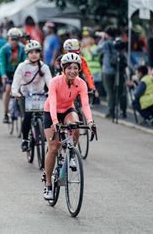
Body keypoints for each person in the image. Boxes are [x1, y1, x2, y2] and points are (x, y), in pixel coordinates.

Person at [42, 53, 96, 200]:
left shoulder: (81, 83)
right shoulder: (55, 82)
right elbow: (52, 102)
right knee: (53, 147)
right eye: (69, 68)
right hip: (51, 112)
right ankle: (48, 184)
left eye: (76, 68)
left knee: (76, 124)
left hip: (67, 110)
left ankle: (71, 151)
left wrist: (90, 122)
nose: (73, 71)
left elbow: (85, 104)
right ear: (63, 69)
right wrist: (54, 121)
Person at [12, 40, 52, 151]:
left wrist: (51, 91)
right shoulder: (22, 67)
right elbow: (16, 81)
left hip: (40, 95)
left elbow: (50, 82)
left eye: (36, 52)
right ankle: (25, 139)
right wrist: (15, 92)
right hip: (25, 95)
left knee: (46, 116)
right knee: (28, 116)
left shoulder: (44, 67)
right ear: (27, 54)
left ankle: (43, 134)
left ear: (40, 54)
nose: (34, 54)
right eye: (31, 52)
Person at [0, 28, 26, 123]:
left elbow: (26, 62)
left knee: (24, 90)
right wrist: (3, 75)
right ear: (8, 39)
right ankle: (6, 113)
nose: (14, 41)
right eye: (12, 39)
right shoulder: (4, 49)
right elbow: (2, 63)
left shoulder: (23, 48)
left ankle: (24, 111)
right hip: (8, 73)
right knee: (8, 90)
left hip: (20, 72)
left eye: (16, 39)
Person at [98, 26, 120, 118]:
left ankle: (111, 111)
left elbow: (96, 50)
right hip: (117, 69)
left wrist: (102, 39)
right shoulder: (118, 42)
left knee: (109, 92)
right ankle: (120, 110)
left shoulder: (106, 43)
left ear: (106, 34)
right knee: (116, 91)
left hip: (107, 70)